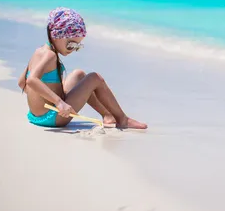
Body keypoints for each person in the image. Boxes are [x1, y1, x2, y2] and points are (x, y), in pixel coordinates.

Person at [18, 7, 147, 129]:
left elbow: (21, 82)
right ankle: (122, 119)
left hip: (35, 116)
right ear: (56, 35)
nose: (73, 49)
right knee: (95, 78)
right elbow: (31, 81)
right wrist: (59, 102)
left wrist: (45, 96)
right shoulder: (50, 55)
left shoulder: (38, 52)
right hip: (52, 116)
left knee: (79, 74)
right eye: (71, 44)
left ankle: (107, 116)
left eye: (77, 46)